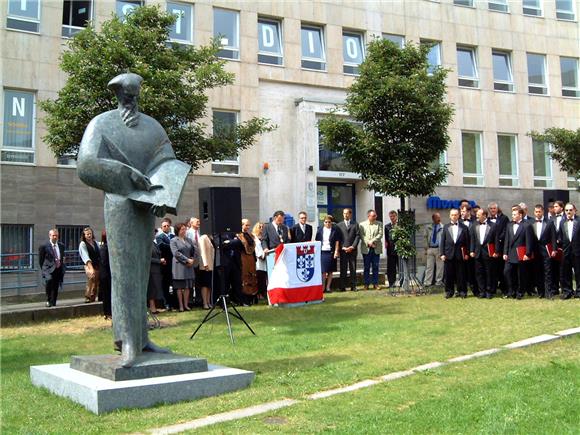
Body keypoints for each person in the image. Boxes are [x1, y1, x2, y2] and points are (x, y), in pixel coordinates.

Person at [77, 72, 184, 367]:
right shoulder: (101, 124)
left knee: (140, 272)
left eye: (134, 96)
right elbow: (86, 164)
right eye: (126, 96)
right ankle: (126, 340)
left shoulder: (152, 126)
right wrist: (126, 174)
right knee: (124, 271)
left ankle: (141, 337)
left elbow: (168, 160)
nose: (131, 101)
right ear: (117, 96)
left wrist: (165, 194)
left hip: (146, 207)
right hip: (120, 203)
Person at [503, 206, 534, 299]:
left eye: (514, 214)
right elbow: (507, 240)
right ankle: (511, 291)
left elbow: (529, 241)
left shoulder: (527, 225)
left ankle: (520, 292)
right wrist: (505, 252)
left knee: (521, 274)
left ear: (520, 215)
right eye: (512, 214)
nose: (513, 216)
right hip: (510, 253)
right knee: (507, 272)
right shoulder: (509, 225)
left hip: (521, 254)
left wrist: (527, 254)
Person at [440, 209, 469, 298]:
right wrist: (442, 254)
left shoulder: (464, 227)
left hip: (460, 254)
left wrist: (467, 253)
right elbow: (442, 242)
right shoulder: (445, 227)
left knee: (461, 275)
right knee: (449, 275)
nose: (454, 216)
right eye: (452, 215)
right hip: (448, 255)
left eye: (456, 215)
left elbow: (467, 242)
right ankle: (449, 292)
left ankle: (462, 292)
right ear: (450, 216)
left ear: (459, 215)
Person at [469, 209, 498, 298]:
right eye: (476, 214)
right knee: (479, 273)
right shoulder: (474, 225)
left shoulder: (493, 225)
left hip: (488, 253)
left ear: (484, 215)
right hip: (477, 253)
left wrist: (496, 251)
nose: (476, 216)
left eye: (478, 214)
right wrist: (471, 251)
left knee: (489, 273)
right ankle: (482, 292)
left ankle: (489, 292)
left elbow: (496, 240)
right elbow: (472, 239)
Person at [531, 204, 557, 299]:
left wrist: (554, 249)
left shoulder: (549, 222)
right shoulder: (531, 223)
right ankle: (541, 292)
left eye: (539, 211)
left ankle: (548, 292)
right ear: (534, 212)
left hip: (546, 251)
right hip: (535, 252)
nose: (538, 213)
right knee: (537, 272)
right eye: (536, 212)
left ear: (542, 212)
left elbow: (553, 237)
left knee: (548, 272)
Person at [170, 222, 196, 312]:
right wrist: (186, 260)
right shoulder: (173, 240)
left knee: (187, 287)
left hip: (189, 266)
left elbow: (193, 250)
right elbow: (176, 253)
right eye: (182, 229)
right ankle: (181, 306)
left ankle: (186, 305)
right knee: (180, 287)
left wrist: (192, 259)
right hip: (179, 266)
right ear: (178, 230)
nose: (184, 231)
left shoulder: (189, 240)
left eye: (185, 229)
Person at [39, 229, 66, 307]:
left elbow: (62, 256)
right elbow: (41, 259)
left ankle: (53, 302)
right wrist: (44, 269)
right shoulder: (44, 246)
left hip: (58, 268)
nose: (55, 237)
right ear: (50, 236)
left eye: (56, 235)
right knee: (49, 281)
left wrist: (62, 266)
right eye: (53, 235)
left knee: (56, 285)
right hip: (47, 268)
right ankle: (48, 300)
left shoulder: (61, 246)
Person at [488, 202, 509, 297]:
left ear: (497, 209)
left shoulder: (504, 218)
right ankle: (492, 289)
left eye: (494, 208)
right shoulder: (487, 220)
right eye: (491, 209)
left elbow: (506, 230)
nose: (493, 210)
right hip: (491, 248)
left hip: (501, 247)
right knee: (492, 270)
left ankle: (504, 289)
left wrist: (499, 239)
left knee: (501, 269)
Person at [559, 203, 580, 299]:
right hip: (566, 252)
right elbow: (561, 236)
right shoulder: (562, 222)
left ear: (574, 210)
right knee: (566, 273)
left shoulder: (579, 221)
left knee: (578, 272)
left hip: (578, 251)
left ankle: (579, 291)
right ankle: (568, 291)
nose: (568, 212)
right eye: (566, 210)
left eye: (570, 210)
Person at [315, 215, 341, 293]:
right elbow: (317, 241)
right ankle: (322, 288)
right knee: (323, 271)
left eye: (329, 222)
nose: (327, 223)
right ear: (324, 222)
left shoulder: (334, 230)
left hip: (331, 252)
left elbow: (337, 241)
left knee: (330, 271)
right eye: (326, 222)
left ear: (331, 222)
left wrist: (336, 251)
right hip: (322, 252)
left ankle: (328, 287)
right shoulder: (320, 230)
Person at [336, 208, 360, 292]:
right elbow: (338, 238)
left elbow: (357, 236)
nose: (345, 215)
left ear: (350, 214)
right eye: (344, 213)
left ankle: (353, 286)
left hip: (352, 250)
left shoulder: (355, 224)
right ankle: (342, 286)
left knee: (353, 268)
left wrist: (352, 247)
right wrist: (342, 247)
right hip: (343, 250)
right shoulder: (339, 225)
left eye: (347, 213)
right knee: (343, 268)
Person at [359, 209, 383, 290]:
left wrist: (372, 241)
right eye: (373, 216)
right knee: (366, 267)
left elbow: (380, 234)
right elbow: (362, 236)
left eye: (375, 215)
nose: (375, 217)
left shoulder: (379, 224)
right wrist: (368, 243)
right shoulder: (362, 224)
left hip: (376, 248)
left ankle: (376, 283)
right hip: (366, 249)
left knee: (375, 267)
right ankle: (366, 284)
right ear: (369, 216)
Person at [156, 217, 176, 311]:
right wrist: (173, 246)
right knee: (166, 284)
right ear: (161, 227)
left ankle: (174, 303)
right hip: (165, 264)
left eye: (168, 225)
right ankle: (166, 303)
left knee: (174, 283)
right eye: (164, 226)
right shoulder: (159, 237)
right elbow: (162, 246)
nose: (166, 227)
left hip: (174, 263)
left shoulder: (173, 236)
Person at [79, 226, 100, 303]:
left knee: (96, 282)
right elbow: (85, 257)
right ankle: (87, 297)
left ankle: (92, 298)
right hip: (88, 265)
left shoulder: (96, 243)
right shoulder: (83, 244)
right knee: (91, 278)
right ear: (84, 235)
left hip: (97, 264)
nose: (89, 235)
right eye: (87, 234)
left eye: (90, 233)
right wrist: (91, 268)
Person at [423, 212, 444, 287]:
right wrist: (426, 248)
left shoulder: (443, 227)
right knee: (429, 267)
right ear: (433, 219)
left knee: (440, 267)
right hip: (430, 248)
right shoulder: (428, 227)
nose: (439, 219)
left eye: (439, 217)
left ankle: (438, 282)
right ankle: (427, 282)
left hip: (439, 248)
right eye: (436, 217)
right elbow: (425, 238)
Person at [550, 200, 565, 295]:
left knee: (563, 269)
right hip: (554, 247)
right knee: (554, 268)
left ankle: (565, 288)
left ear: (561, 207)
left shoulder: (566, 217)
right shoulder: (552, 218)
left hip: (564, 247)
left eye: (556, 206)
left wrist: (560, 240)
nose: (554, 208)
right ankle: (555, 289)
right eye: (554, 206)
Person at [197, 232, 215, 309]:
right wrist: (205, 263)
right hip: (205, 265)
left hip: (211, 264)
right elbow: (202, 251)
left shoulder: (210, 237)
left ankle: (208, 301)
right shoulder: (203, 237)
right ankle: (204, 302)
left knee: (209, 285)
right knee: (205, 285)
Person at [148, 238, 165, 314]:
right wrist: (159, 261)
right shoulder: (146, 243)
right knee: (152, 289)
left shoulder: (153, 243)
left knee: (156, 289)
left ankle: (154, 307)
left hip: (156, 270)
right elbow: (147, 258)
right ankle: (152, 308)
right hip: (151, 270)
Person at [252, 222, 268, 300]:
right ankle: (259, 294)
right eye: (260, 227)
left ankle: (264, 293)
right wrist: (261, 255)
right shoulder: (254, 237)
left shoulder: (264, 237)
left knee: (264, 278)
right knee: (259, 278)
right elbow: (255, 249)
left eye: (263, 227)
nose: (261, 228)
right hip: (258, 260)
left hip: (265, 260)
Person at [99, 230, 112, 319]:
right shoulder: (104, 248)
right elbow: (104, 262)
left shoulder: (108, 247)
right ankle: (107, 313)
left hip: (108, 274)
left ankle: (110, 312)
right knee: (106, 294)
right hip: (105, 275)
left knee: (109, 294)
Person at [384, 210, 399, 288]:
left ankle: (402, 282)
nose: (392, 218)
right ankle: (391, 283)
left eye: (393, 216)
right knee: (391, 268)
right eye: (391, 216)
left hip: (399, 250)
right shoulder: (387, 226)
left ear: (396, 216)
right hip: (390, 250)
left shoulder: (400, 225)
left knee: (400, 267)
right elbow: (386, 239)